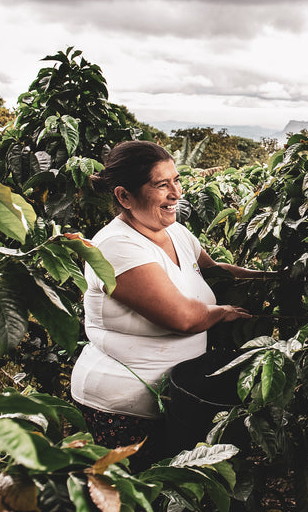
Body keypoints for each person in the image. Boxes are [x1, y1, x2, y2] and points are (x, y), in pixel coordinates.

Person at [70, 140, 263, 465]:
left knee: (179, 494)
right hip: (123, 408)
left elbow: (216, 271)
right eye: (162, 185)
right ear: (124, 196)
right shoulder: (115, 246)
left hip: (181, 399)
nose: (177, 193)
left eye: (176, 180)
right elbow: (183, 317)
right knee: (140, 499)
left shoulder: (176, 233)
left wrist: (275, 278)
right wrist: (225, 312)